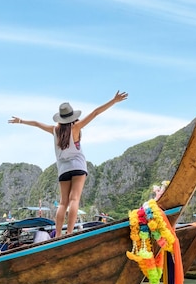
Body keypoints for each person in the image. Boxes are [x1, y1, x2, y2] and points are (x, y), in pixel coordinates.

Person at [9, 91, 128, 237]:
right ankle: (70, 232)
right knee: (74, 199)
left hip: (63, 169)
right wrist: (113, 101)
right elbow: (95, 112)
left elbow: (36, 124)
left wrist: (21, 121)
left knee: (63, 202)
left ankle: (58, 234)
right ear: (72, 117)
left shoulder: (55, 130)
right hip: (78, 166)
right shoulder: (76, 127)